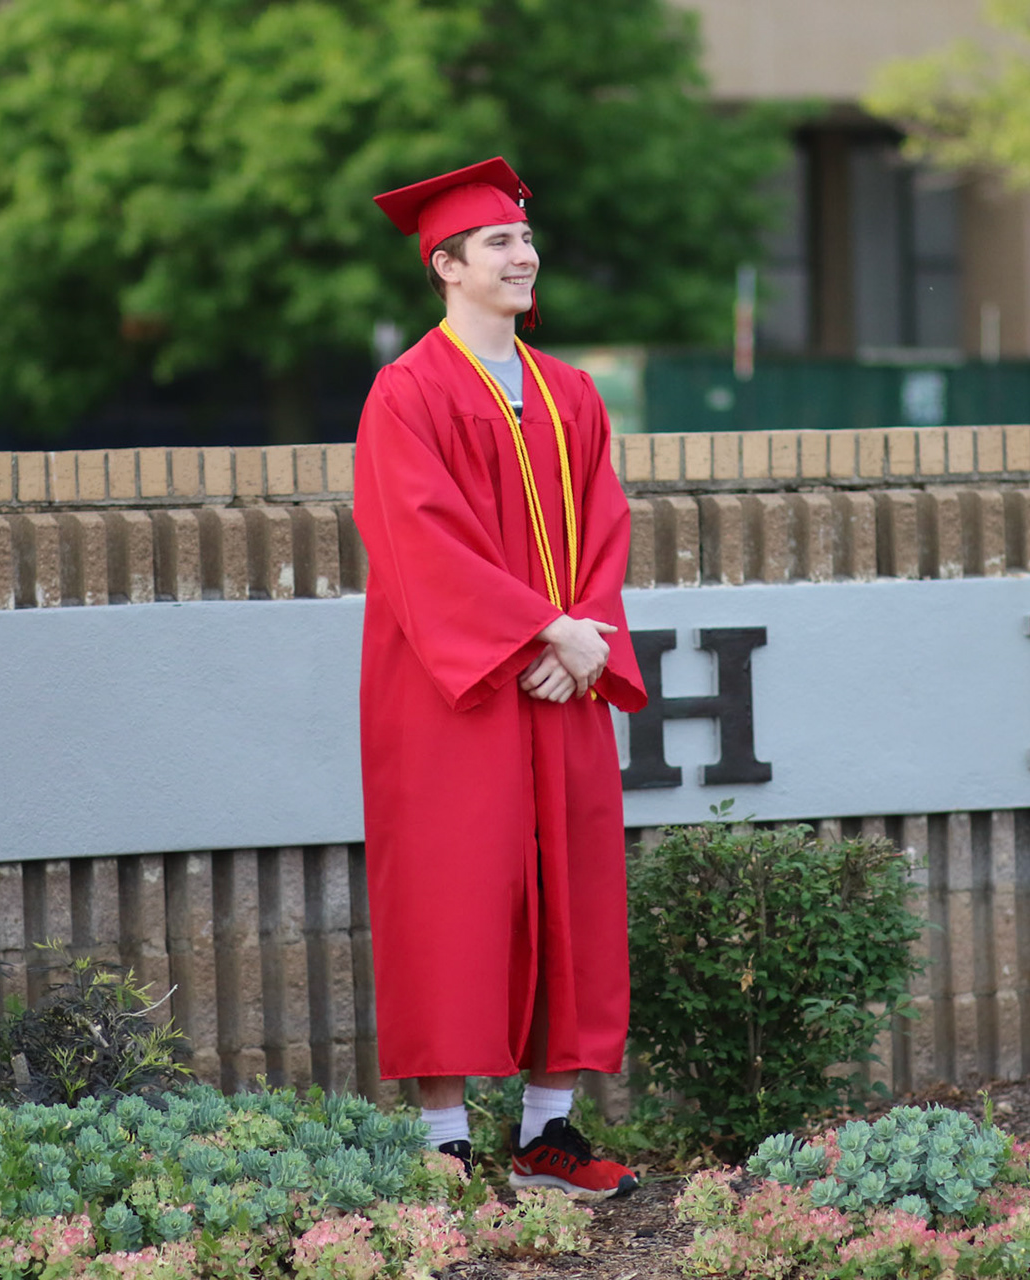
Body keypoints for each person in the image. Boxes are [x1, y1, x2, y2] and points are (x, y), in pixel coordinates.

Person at [353, 157, 646, 1201]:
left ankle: (547, 1134)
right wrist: (537, 635)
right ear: (445, 266)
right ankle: (441, 1137)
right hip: (455, 688)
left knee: (568, 884)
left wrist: (589, 641)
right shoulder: (408, 393)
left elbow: (606, 526)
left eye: (526, 240)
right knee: (453, 887)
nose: (524, 257)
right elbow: (419, 540)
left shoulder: (571, 393)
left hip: (561, 682)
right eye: (499, 244)